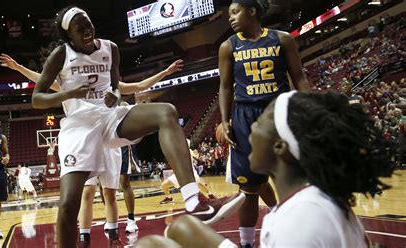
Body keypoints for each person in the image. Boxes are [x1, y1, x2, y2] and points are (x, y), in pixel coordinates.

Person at [31, 6, 245, 247]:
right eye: (79, 29)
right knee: (69, 205)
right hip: (79, 125)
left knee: (166, 113)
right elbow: (37, 98)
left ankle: (195, 203)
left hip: (109, 117)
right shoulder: (61, 54)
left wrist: (113, 94)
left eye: (88, 25)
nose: (87, 31)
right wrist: (68, 93)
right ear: (69, 35)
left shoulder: (110, 48)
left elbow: (113, 85)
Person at [136, 91, 396, 248]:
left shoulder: (303, 219)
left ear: (280, 147)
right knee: (178, 232)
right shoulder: (307, 201)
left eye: (258, 123)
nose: (246, 129)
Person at [0, 52, 187, 243]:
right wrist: (18, 67)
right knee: (87, 193)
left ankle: (114, 236)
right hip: (84, 140)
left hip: (109, 138)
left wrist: (165, 72)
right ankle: (84, 237)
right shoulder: (67, 85)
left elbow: (138, 86)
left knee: (109, 193)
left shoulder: (106, 84)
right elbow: (40, 79)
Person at [218, 0, 310, 247]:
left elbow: (298, 76)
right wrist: (225, 121)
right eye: (229, 14)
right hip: (244, 116)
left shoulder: (282, 39)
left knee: (291, 177)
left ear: (252, 11)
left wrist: (309, 106)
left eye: (235, 12)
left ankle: (298, 230)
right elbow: (225, 87)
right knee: (248, 190)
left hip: (278, 111)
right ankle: (247, 243)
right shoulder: (228, 46)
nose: (231, 18)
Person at [160, 139, 216, 204]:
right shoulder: (178, 151)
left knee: (199, 184)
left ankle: (210, 195)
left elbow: (197, 157)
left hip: (190, 173)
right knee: (164, 185)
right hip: (180, 174)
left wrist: (197, 155)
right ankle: (169, 198)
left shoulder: (188, 151)